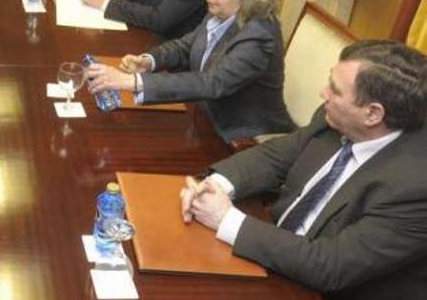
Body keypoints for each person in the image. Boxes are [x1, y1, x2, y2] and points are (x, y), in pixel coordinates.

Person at [180, 40, 427, 299]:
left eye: (335, 90)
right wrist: (214, 187)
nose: (323, 93)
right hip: (271, 251)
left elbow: (333, 266)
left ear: (372, 114)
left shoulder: (416, 187)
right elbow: (276, 156)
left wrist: (225, 219)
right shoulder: (334, 117)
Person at [86, 0, 295, 142]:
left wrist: (133, 81)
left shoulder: (259, 35)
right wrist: (149, 61)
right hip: (202, 115)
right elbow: (187, 46)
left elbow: (211, 83)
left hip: (239, 137)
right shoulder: (224, 11)